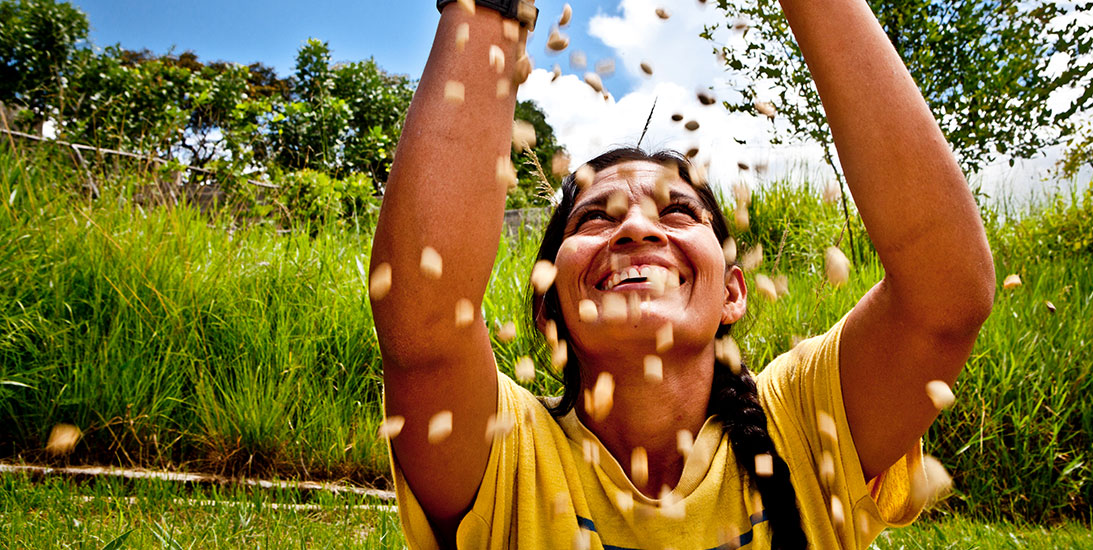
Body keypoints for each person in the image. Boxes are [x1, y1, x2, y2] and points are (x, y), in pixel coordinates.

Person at [369, 0, 994, 548]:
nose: (637, 229)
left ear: (732, 290)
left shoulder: (804, 428)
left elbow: (945, 297)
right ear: (546, 306)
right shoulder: (508, 456)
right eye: (594, 218)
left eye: (677, 210)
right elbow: (423, 324)